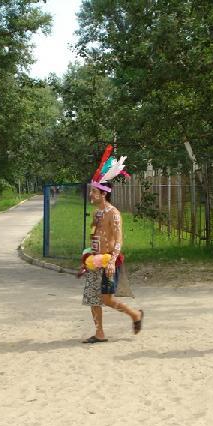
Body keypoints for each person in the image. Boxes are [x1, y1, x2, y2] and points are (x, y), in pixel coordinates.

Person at [81, 146, 143, 343]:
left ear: (103, 194)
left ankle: (135, 314)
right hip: (94, 261)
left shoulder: (113, 213)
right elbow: (94, 236)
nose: (91, 195)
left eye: (94, 192)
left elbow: (118, 239)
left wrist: (111, 261)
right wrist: (87, 257)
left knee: (106, 299)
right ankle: (99, 333)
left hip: (108, 261)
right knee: (92, 297)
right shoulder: (96, 212)